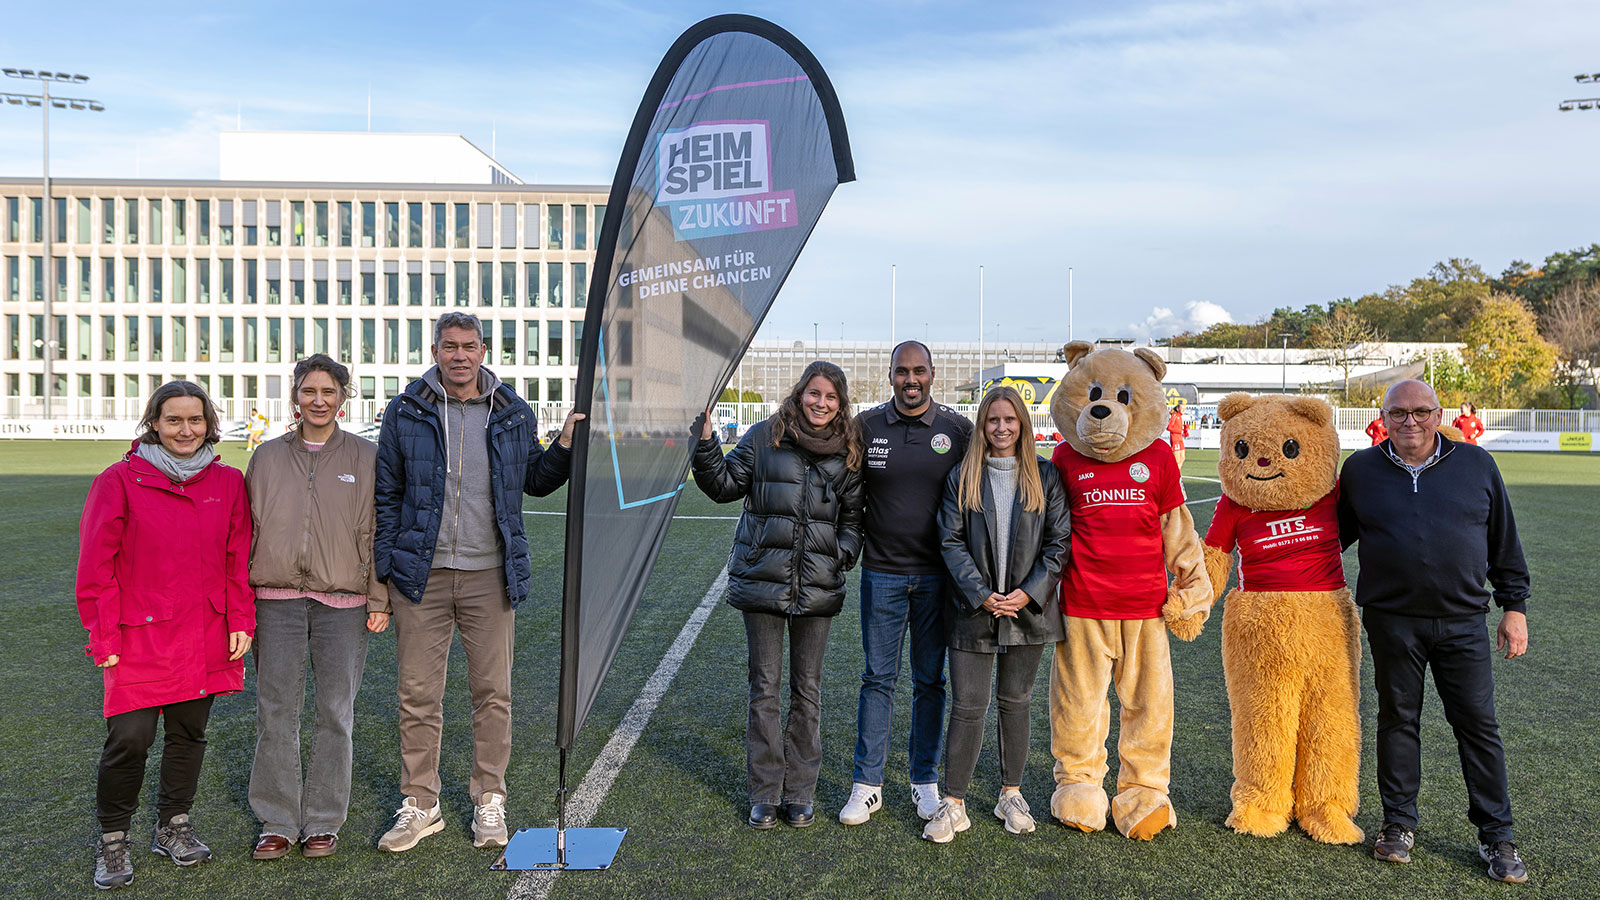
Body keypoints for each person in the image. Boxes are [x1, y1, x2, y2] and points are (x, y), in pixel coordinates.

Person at [373, 312, 583, 852]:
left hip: (490, 574)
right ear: (436, 350)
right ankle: (421, 803)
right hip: (422, 574)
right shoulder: (406, 410)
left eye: (469, 346)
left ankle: (490, 798)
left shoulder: (511, 410)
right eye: (450, 346)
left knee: (493, 694)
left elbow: (533, 480)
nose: (459, 355)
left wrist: (561, 444)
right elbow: (387, 497)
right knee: (418, 694)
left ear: (484, 351)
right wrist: (385, 574)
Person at [1337, 379, 1531, 884]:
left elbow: (1503, 539)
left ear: (1438, 413)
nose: (1410, 423)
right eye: (1398, 413)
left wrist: (1515, 607)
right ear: (1383, 417)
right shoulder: (1360, 470)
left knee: (1478, 727)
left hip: (1464, 622)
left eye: (1421, 412)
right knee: (1398, 719)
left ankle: (1497, 836)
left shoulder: (1475, 464)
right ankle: (1398, 825)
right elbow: (1329, 539)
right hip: (1391, 620)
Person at [76, 381, 254, 890]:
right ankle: (113, 839)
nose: (185, 430)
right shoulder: (119, 480)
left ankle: (173, 825)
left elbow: (235, 557)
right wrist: (103, 636)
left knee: (188, 734)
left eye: (195, 420)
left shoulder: (227, 481)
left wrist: (240, 617)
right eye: (173, 420)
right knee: (129, 740)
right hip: (137, 637)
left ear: (209, 424)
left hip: (204, 632)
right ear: (154, 422)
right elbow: (95, 567)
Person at [691, 361, 865, 829]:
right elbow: (723, 485)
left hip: (818, 586)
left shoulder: (850, 449)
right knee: (764, 689)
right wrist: (706, 441)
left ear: (841, 402)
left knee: (807, 692)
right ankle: (765, 792)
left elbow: (854, 520)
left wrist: (838, 556)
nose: (821, 403)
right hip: (763, 581)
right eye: (814, 393)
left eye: (830, 397)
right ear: (800, 393)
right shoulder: (765, 435)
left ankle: (800, 791)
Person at [246, 355, 388, 861]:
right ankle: (278, 819)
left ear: (344, 397)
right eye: (309, 391)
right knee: (276, 712)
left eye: (329, 391)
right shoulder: (265, 457)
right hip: (275, 602)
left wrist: (378, 597)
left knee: (335, 712)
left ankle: (324, 820)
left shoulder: (366, 457)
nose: (319, 400)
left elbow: (377, 532)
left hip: (344, 604)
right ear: (295, 396)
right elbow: (248, 533)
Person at [925, 386, 1069, 843]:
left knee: (1016, 703)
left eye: (1009, 420)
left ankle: (1011, 794)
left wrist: (1028, 594)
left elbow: (1058, 542)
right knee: (968, 706)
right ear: (982, 426)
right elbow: (948, 540)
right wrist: (981, 593)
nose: (1001, 428)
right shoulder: (961, 477)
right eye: (992, 421)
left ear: (1022, 424)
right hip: (973, 611)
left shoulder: (1045, 477)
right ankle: (954, 803)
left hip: (1028, 613)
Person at [841, 341, 973, 826]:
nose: (910, 379)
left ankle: (924, 781)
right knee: (877, 678)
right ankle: (867, 785)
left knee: (929, 682)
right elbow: (843, 487)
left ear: (933, 374)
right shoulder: (867, 427)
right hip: (882, 574)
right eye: (902, 371)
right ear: (890, 375)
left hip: (940, 579)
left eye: (919, 371)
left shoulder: (957, 429)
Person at [1166, 400, 1190, 469]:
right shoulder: (1175, 415)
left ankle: (1177, 475)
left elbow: (1179, 429)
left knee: (1182, 458)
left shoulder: (1180, 416)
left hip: (1180, 439)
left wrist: (1185, 431)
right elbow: (1169, 427)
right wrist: (1180, 431)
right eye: (1182, 408)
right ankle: (1174, 476)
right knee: (1177, 460)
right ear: (1178, 409)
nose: (1183, 410)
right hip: (1175, 439)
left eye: (1184, 408)